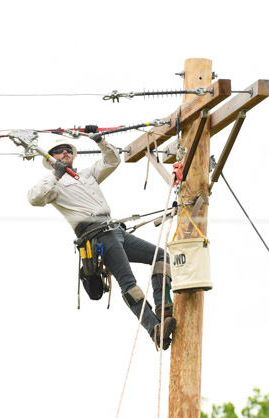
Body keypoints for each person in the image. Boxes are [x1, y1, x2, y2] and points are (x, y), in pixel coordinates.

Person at [27, 126, 176, 350]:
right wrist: (56, 174)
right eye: (59, 151)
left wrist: (100, 140)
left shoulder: (86, 175)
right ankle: (154, 329)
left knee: (161, 257)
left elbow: (112, 161)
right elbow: (35, 199)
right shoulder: (53, 184)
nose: (65, 152)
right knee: (128, 283)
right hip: (96, 236)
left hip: (115, 230)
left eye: (67, 149)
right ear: (51, 160)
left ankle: (163, 308)